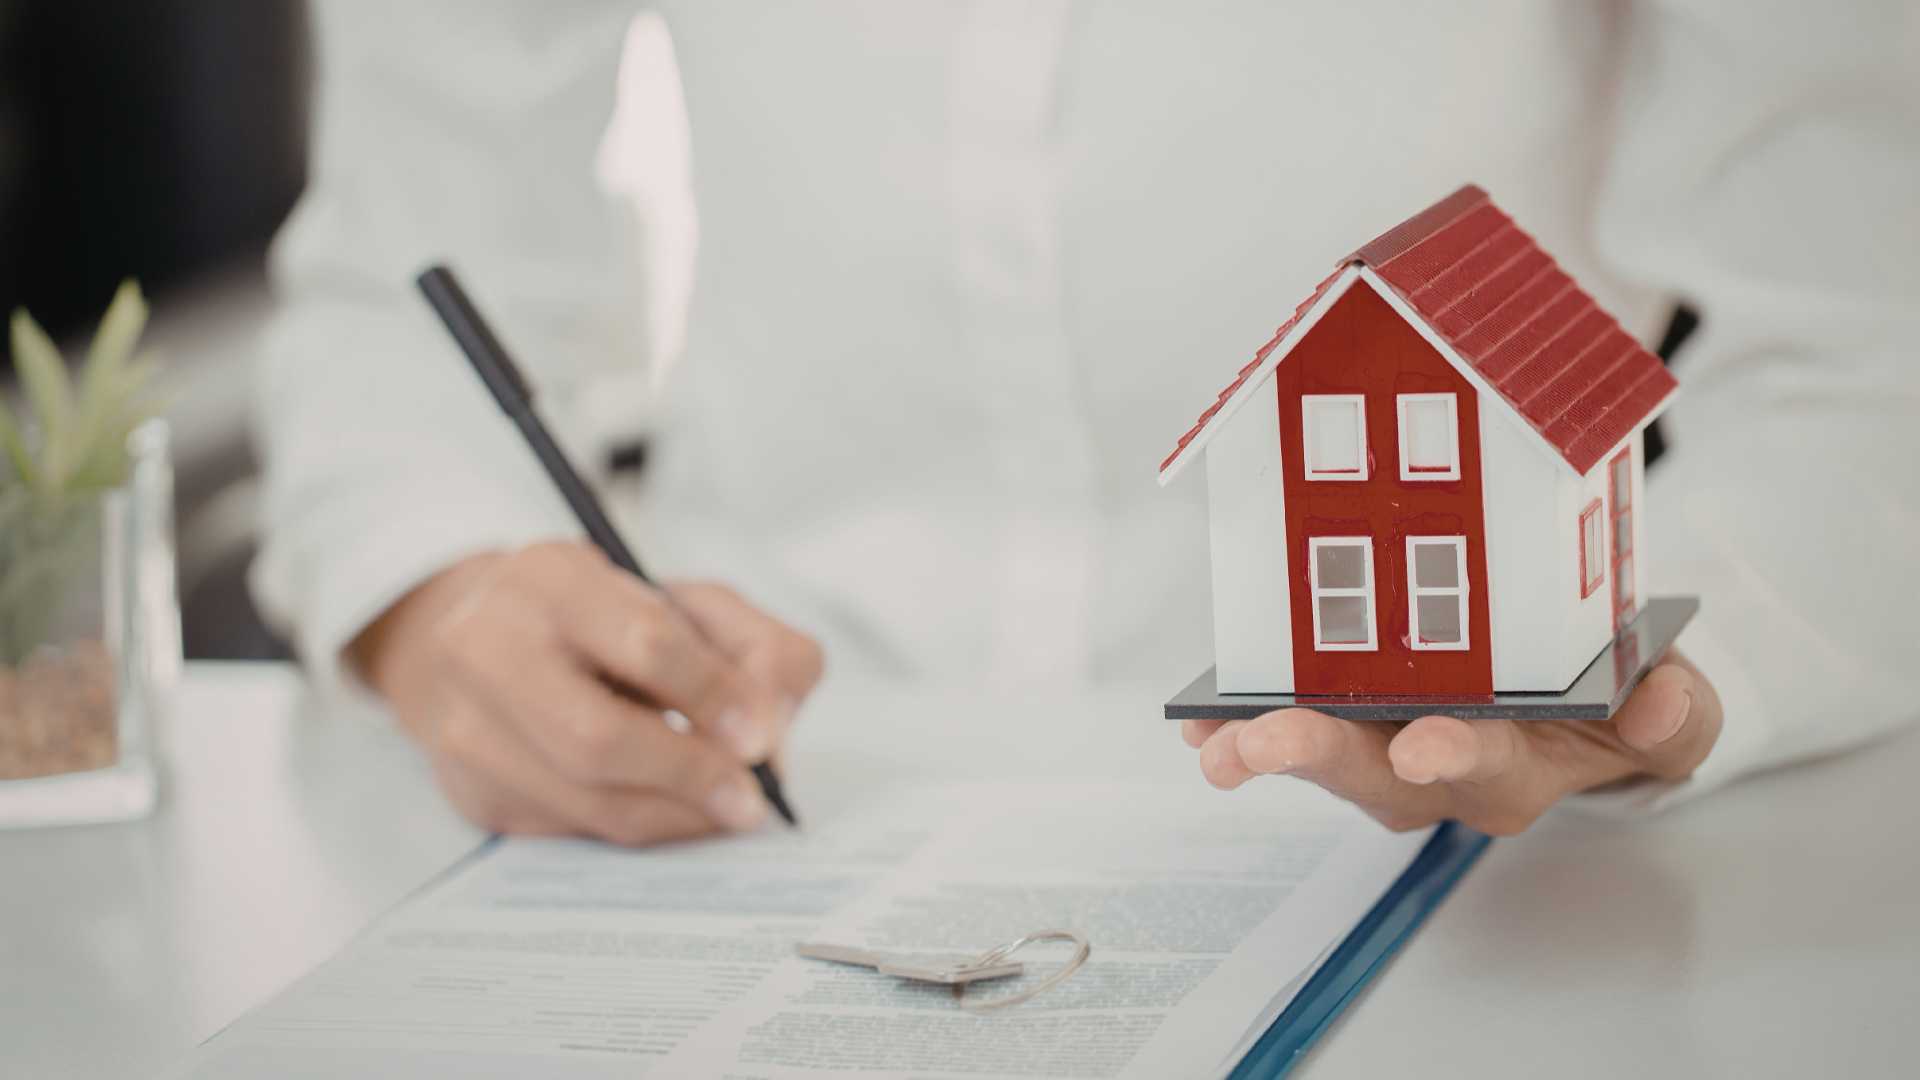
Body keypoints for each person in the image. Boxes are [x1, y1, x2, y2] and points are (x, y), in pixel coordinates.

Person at [254, 1, 1920, 844]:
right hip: (757, 806)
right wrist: (441, 595)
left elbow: (1866, 352)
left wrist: (1657, 663)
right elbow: (398, 292)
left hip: (1504, 889)